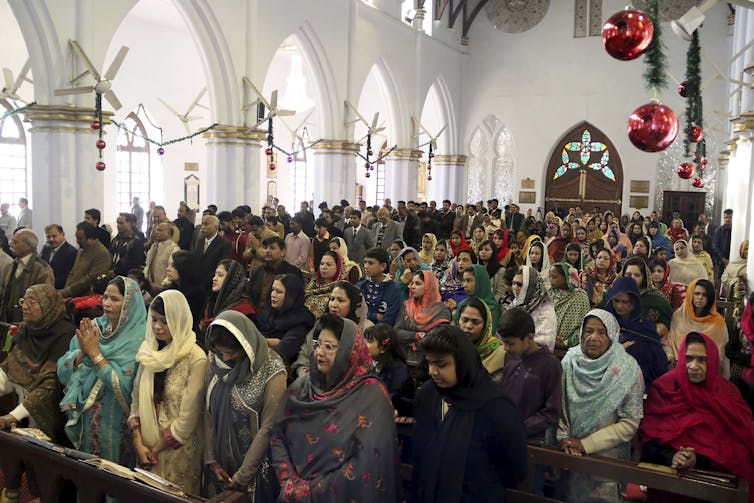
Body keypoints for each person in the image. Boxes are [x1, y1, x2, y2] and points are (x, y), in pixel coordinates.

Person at [270, 314, 399, 502]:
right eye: (317, 344)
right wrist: (288, 481)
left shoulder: (371, 396)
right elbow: (277, 434)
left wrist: (311, 492)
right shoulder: (301, 388)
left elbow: (367, 464)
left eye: (328, 347)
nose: (319, 352)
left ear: (349, 351)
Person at [412, 325, 528, 502]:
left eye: (441, 364)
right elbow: (420, 452)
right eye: (429, 363)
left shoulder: (496, 408)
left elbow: (514, 471)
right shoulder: (428, 395)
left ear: (462, 362)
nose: (432, 371)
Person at [640, 332, 754, 501]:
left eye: (702, 360)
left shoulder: (728, 394)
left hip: (713, 486)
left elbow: (740, 449)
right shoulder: (663, 389)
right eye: (689, 358)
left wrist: (698, 459)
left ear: (713, 361)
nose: (693, 366)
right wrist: (673, 456)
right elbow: (648, 442)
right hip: (668, 481)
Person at [57, 276, 147, 464]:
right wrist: (82, 354)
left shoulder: (140, 339)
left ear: (129, 302)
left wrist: (95, 354)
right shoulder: (94, 327)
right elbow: (62, 367)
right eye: (105, 297)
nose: (106, 303)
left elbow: (127, 388)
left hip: (119, 421)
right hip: (88, 416)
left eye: (114, 299)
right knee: (87, 477)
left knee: (115, 477)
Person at [558, 309, 645, 502]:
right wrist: (564, 438)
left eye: (602, 332)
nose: (593, 338)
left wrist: (585, 445)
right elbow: (558, 404)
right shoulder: (570, 361)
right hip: (570, 457)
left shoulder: (628, 369)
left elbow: (629, 425)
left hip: (605, 464)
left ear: (613, 335)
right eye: (588, 331)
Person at [0, 285, 74, 501]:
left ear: (49, 306)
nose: (26, 306)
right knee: (13, 460)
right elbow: (9, 369)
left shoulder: (65, 335)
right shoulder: (26, 330)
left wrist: (13, 416)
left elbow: (50, 384)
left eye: (33, 301)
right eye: (24, 300)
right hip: (20, 413)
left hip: (50, 417)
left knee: (43, 475)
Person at [202, 310, 287, 499]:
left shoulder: (271, 369)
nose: (225, 358)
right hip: (219, 467)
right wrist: (211, 460)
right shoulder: (216, 361)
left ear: (246, 345)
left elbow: (268, 426)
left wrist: (243, 476)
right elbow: (207, 411)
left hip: (253, 473)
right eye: (221, 351)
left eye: (231, 352)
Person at [129, 292, 207, 493]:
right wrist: (139, 443)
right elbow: (136, 399)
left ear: (178, 320)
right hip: (145, 447)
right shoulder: (149, 350)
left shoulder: (196, 358)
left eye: (164, 321)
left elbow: (188, 417)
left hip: (177, 450)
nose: (157, 326)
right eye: (154, 319)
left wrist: (154, 450)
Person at [499, 307, 562, 442]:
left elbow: (551, 412)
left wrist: (519, 428)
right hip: (504, 431)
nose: (505, 348)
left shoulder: (550, 365)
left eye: (510, 343)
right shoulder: (510, 356)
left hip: (530, 440)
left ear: (529, 337)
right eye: (503, 342)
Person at [604, 277, 668, 389]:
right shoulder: (605, 324)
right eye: (616, 301)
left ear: (634, 303)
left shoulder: (646, 330)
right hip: (607, 384)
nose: (619, 306)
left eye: (625, 302)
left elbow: (658, 363)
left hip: (639, 385)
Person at [667, 278, 730, 378]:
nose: (700, 297)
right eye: (697, 293)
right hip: (677, 366)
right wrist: (672, 357)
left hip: (705, 370)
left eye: (704, 295)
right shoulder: (678, 316)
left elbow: (719, 352)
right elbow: (670, 341)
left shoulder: (717, 323)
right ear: (690, 295)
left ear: (710, 298)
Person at [395, 270, 452, 375]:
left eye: (417, 283)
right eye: (412, 283)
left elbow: (437, 339)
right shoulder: (406, 306)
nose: (412, 286)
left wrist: (411, 340)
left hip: (429, 365)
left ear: (429, 286)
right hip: (404, 361)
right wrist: (416, 336)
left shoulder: (441, 310)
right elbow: (397, 332)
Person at [256, 273, 315, 366]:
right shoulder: (269, 313)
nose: (273, 295)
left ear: (291, 296)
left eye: (278, 292)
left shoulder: (301, 320)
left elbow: (285, 349)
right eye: (273, 290)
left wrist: (261, 340)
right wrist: (271, 342)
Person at [0, 229, 55, 323]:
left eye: (15, 242)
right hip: (7, 322)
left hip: (29, 325)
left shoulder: (42, 269)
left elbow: (46, 302)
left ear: (27, 246)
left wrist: (28, 322)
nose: (11, 244)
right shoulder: (11, 265)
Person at [364, 324, 412, 416]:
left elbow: (393, 397)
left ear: (383, 348)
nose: (364, 344)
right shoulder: (369, 365)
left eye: (369, 341)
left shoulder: (399, 369)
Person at [456, 297, 506, 383]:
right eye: (465, 320)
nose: (468, 326)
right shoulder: (451, 347)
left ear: (486, 325)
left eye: (475, 322)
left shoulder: (498, 352)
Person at [246, 236, 303, 312]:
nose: (267, 251)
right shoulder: (259, 270)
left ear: (283, 252)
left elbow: (296, 301)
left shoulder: (292, 272)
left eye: (272, 248)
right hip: (255, 315)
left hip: (280, 319)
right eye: (266, 248)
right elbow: (249, 294)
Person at [200, 259, 255, 332]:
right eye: (215, 274)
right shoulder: (212, 302)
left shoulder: (243, 310)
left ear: (231, 279)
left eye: (220, 275)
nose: (214, 278)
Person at [511, 266, 557, 351]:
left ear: (531, 286)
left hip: (536, 358)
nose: (515, 288)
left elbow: (544, 342)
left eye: (520, 284)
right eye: (513, 283)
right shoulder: (515, 304)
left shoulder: (545, 310)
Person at [164, 250, 206, 339]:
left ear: (184, 268)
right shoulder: (171, 289)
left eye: (174, 266)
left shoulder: (196, 294)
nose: (168, 269)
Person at [548, 261, 591, 349]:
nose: (550, 280)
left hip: (570, 347)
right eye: (550, 277)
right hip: (547, 341)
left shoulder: (580, 297)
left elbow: (584, 325)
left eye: (554, 277)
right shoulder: (549, 294)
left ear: (566, 278)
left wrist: (566, 341)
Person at [357, 247, 403, 326]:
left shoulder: (393, 290)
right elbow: (355, 312)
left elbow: (389, 319)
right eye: (365, 262)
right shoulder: (361, 285)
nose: (366, 266)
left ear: (383, 266)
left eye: (370, 263)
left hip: (381, 333)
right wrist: (375, 316)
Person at [458, 263, 502, 335]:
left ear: (480, 282)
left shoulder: (492, 309)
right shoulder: (463, 304)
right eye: (464, 281)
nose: (464, 285)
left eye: (468, 280)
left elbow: (489, 336)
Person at [304, 250, 344, 318]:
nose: (324, 267)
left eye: (328, 264)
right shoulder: (313, 284)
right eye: (322, 264)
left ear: (338, 267)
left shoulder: (341, 289)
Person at [41, 224, 79, 290]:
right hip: (44, 288)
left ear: (63, 234)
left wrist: (48, 283)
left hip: (60, 290)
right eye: (48, 237)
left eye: (54, 236)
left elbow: (68, 276)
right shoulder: (46, 249)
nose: (51, 239)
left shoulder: (72, 252)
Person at [143, 222, 180, 287]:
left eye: (160, 230)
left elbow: (172, 272)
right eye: (156, 230)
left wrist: (163, 284)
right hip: (150, 285)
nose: (156, 232)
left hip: (163, 287)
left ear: (168, 233)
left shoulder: (174, 248)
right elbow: (147, 264)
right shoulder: (154, 245)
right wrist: (145, 279)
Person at [439, 248, 475, 314]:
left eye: (465, 260)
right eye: (458, 260)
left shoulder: (474, 284)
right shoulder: (448, 279)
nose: (460, 263)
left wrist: (457, 304)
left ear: (473, 263)